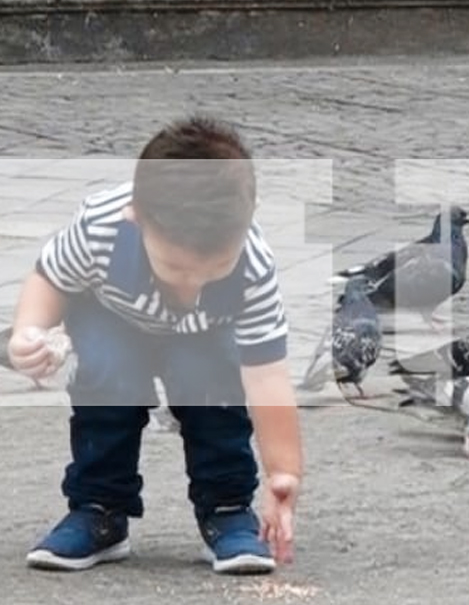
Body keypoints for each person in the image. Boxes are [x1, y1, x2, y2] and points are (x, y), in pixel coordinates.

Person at [5, 116, 302, 574]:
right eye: (177, 268)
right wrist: (29, 330)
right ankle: (99, 508)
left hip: (203, 337)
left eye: (214, 268)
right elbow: (50, 278)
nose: (193, 285)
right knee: (107, 376)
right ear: (136, 218)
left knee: (212, 386)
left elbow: (267, 378)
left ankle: (226, 508)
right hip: (112, 318)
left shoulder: (253, 264)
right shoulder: (100, 226)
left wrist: (284, 473)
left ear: (248, 222)